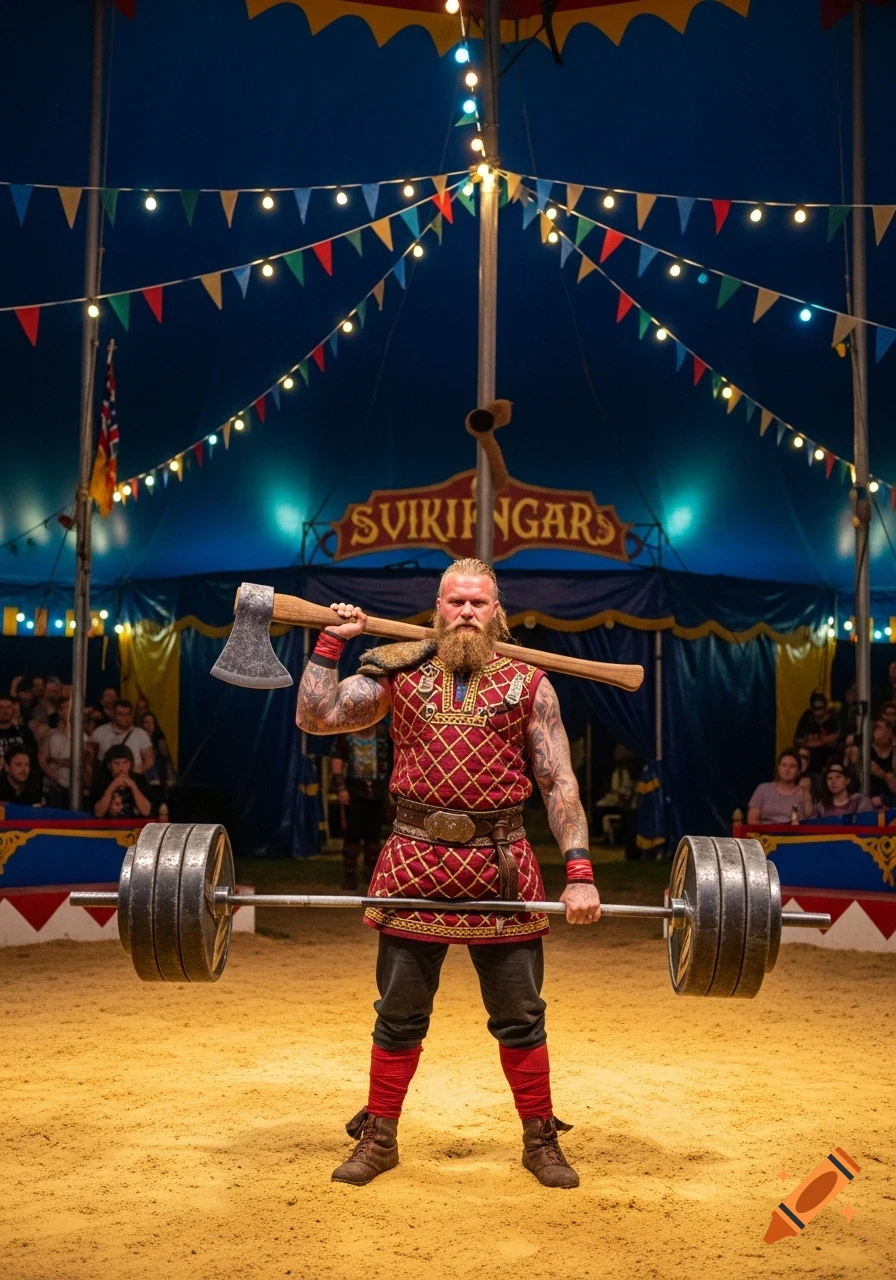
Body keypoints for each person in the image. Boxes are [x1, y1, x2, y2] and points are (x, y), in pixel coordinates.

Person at [297, 558, 600, 1190]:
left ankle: (540, 1141)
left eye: (478, 603)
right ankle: (379, 1138)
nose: (466, 612)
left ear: (497, 612)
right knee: (399, 1014)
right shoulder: (398, 672)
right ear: (437, 608)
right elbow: (316, 717)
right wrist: (332, 642)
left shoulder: (530, 685)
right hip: (413, 863)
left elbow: (557, 781)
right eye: (456, 602)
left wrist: (580, 872)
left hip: (501, 867)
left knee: (521, 1015)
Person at [331, 719, 393, 889]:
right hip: (355, 792)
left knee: (374, 835)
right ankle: (350, 876)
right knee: (353, 834)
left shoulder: (383, 733)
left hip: (378, 790)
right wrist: (341, 788)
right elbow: (337, 760)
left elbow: (393, 759)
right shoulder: (345, 735)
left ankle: (371, 875)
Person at [38, 696, 89, 809]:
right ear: (59, 711)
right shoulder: (51, 734)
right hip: (53, 787)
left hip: (76, 788)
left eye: (70, 707)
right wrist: (54, 776)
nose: (68, 711)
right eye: (65, 707)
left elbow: (86, 762)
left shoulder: (83, 737)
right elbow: (42, 759)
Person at [746, 749, 814, 824]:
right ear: (778, 768)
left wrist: (806, 791)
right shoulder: (763, 789)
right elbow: (752, 819)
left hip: (794, 831)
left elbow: (809, 817)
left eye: (792, 766)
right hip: (765, 831)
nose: (787, 770)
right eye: (784, 765)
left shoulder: (802, 792)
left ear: (798, 771)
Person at [90, 699, 154, 776]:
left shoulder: (141, 734)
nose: (125, 717)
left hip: (132, 777)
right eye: (121, 714)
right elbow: (90, 758)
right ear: (113, 714)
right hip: (106, 777)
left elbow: (149, 760)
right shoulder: (100, 732)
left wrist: (136, 775)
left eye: (128, 714)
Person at [844, 719, 896, 807]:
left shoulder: (894, 753)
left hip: (888, 799)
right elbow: (850, 743)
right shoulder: (864, 750)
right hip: (865, 796)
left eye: (878, 728)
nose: (874, 731)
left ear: (889, 732)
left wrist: (882, 774)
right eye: (874, 728)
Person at [92, 745, 153, 818]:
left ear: (130, 763)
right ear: (109, 765)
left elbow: (146, 811)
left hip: (135, 824)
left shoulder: (140, 779)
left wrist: (133, 786)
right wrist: (112, 787)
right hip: (108, 824)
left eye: (125, 762)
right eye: (116, 763)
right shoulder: (101, 781)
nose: (121, 768)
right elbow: (98, 813)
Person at [794, 692, 841, 775]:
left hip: (830, 752)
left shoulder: (833, 717)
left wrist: (814, 742)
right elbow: (799, 741)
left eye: (821, 709)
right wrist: (822, 742)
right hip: (811, 753)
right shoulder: (807, 717)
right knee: (802, 752)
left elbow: (834, 738)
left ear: (826, 708)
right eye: (816, 709)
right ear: (811, 709)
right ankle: (801, 778)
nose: (819, 712)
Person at [140, 711, 174, 796]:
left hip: (159, 775)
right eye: (146, 722)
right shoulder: (138, 738)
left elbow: (164, 756)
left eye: (151, 722)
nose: (149, 725)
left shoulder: (159, 737)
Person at [0, 696, 38, 766]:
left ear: (13, 710)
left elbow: (33, 753)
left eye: (8, 707)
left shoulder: (23, 730)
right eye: (1, 707)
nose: (5, 711)